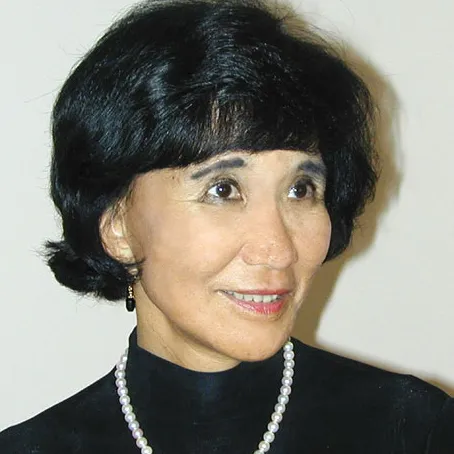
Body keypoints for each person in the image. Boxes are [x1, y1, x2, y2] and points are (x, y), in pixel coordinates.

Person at [1, 0, 452, 452]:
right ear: (118, 227)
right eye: (223, 189)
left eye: (300, 189)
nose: (278, 249)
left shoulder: (416, 431)